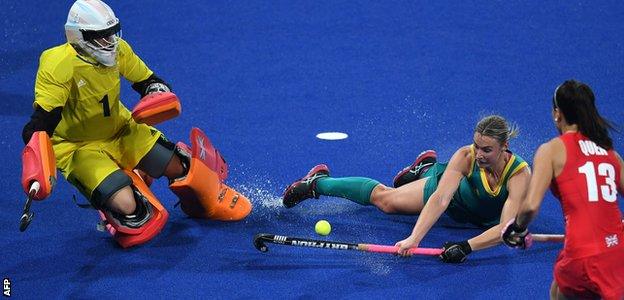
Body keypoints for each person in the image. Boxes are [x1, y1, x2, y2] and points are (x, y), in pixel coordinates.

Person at [20, 0, 251, 248]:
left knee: (181, 167)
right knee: (133, 212)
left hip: (121, 130)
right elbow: (41, 123)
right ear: (80, 37)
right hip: (78, 147)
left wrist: (156, 92)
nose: (109, 42)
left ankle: (192, 197)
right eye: (101, 37)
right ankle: (109, 199)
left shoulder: (118, 50)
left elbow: (148, 80)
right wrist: (36, 167)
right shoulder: (58, 64)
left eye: (112, 33)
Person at [283, 114, 531, 263]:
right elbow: (440, 198)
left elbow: (504, 229)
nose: (478, 154)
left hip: (479, 219)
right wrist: (415, 238)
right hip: (453, 196)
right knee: (386, 202)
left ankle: (425, 167)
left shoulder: (519, 174)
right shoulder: (466, 157)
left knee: (483, 225)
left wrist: (466, 246)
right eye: (476, 145)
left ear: (504, 146)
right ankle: (317, 183)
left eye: (486, 150)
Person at [502, 80, 624, 299]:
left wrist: (517, 229)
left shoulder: (551, 150)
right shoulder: (611, 154)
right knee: (557, 289)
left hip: (581, 258)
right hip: (616, 255)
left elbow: (530, 206)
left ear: (557, 114)